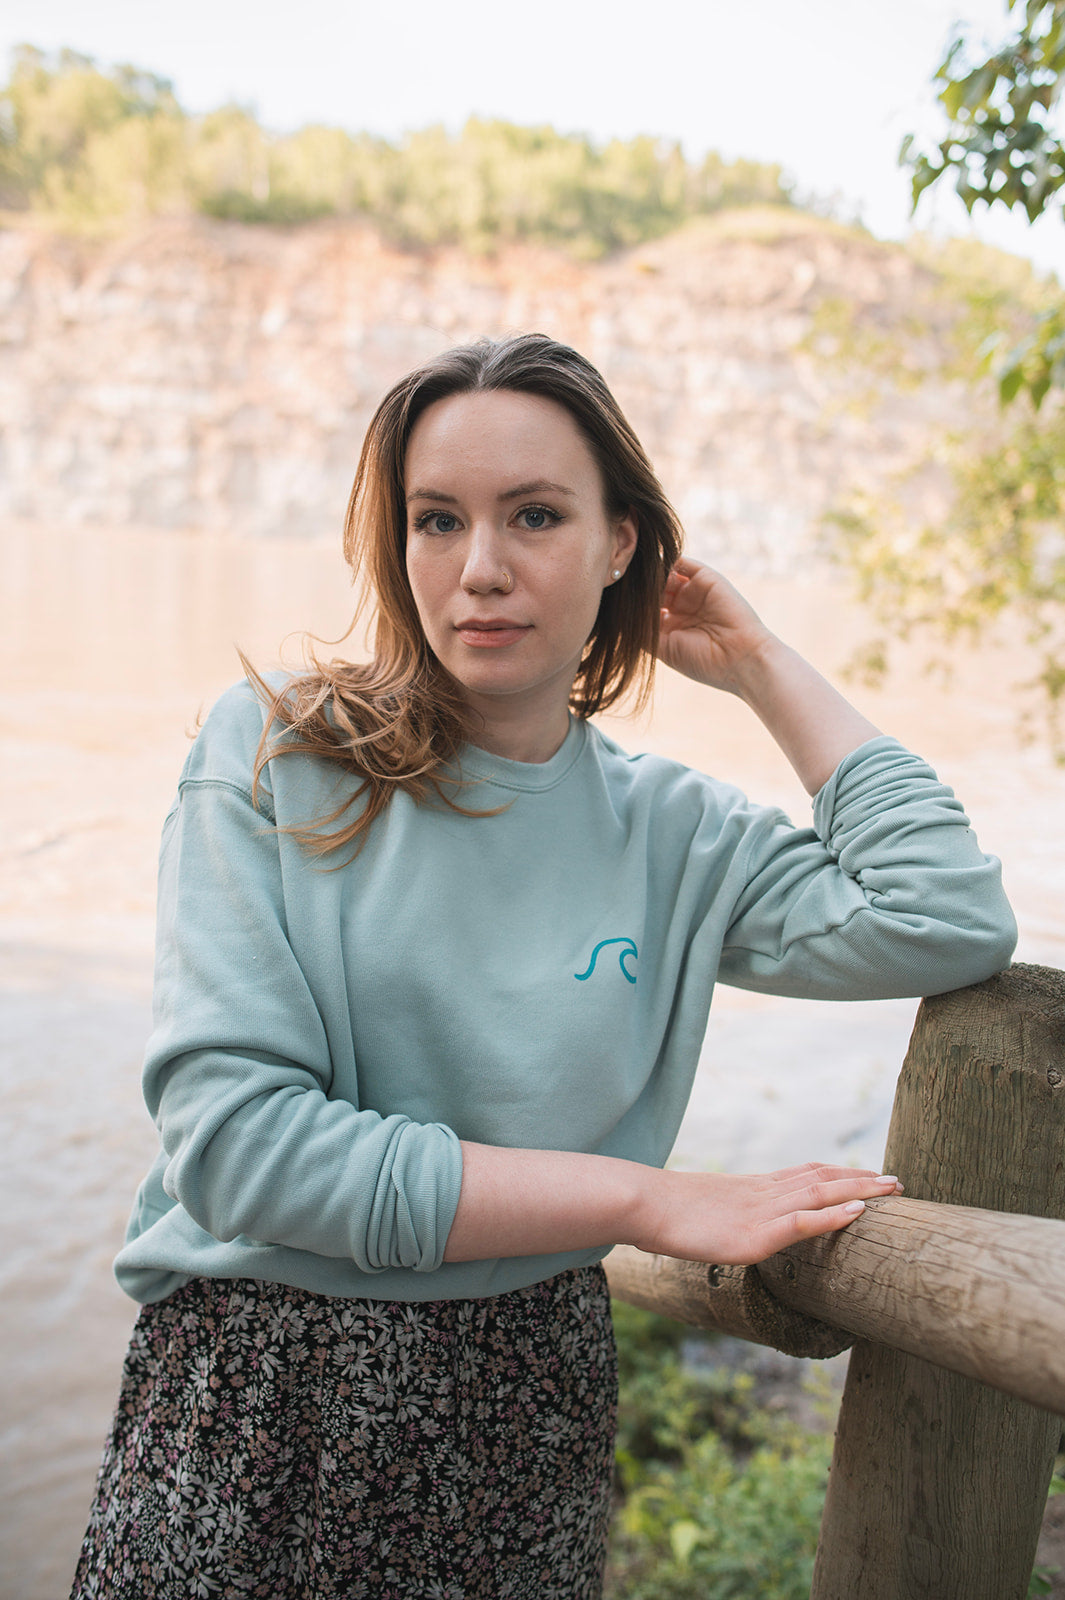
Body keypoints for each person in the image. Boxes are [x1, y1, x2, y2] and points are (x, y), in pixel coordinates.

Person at [71, 333, 1016, 1600]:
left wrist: (759, 664)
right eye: (437, 519)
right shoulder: (280, 750)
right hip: (258, 1398)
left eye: (535, 515)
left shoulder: (676, 835)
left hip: (523, 1407)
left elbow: (947, 914)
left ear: (623, 541)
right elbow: (239, 1149)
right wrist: (645, 1200)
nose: (481, 568)